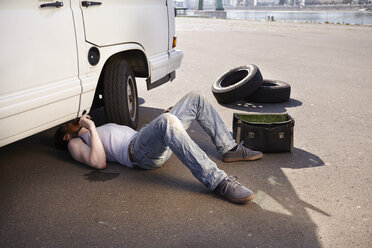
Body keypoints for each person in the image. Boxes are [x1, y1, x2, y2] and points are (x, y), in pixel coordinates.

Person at [54, 91, 263, 203]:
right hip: (137, 153)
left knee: (195, 98)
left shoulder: (94, 132)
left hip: (144, 142)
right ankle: (218, 181)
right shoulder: (75, 142)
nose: (76, 118)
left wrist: (161, 121)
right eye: (69, 121)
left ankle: (229, 147)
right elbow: (98, 162)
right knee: (166, 121)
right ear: (66, 135)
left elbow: (138, 136)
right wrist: (89, 126)